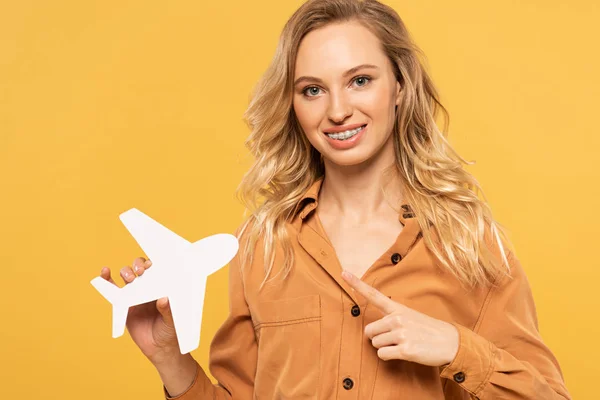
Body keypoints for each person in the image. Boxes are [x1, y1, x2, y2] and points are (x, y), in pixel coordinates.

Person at [98, 0, 571, 398]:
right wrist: (171, 362)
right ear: (293, 104)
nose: (338, 110)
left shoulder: (468, 243)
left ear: (400, 86)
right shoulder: (263, 245)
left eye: (360, 80)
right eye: (313, 90)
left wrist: (454, 348)